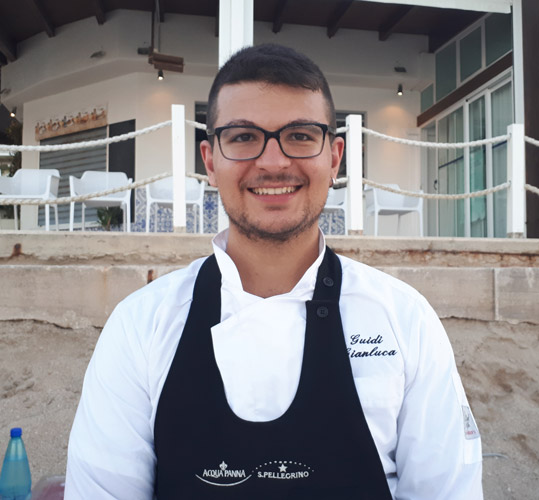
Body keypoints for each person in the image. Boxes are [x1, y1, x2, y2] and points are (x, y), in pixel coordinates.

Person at [65, 43, 483, 499]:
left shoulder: (405, 321)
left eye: (301, 135)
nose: (273, 161)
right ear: (209, 160)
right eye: (243, 136)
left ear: (335, 156)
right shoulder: (140, 326)